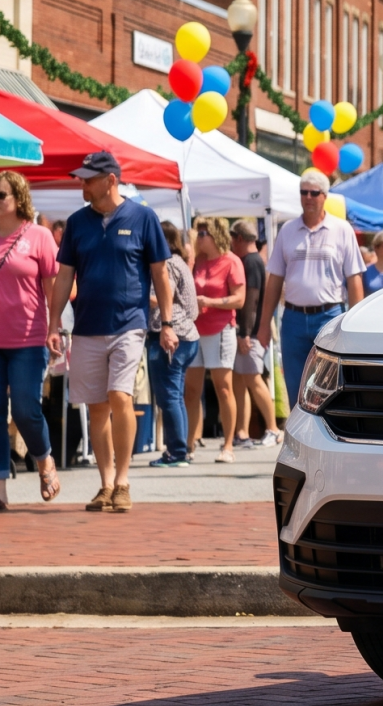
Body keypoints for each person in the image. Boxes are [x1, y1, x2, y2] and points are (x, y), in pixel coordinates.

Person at [45, 151, 173, 513]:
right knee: (97, 406)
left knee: (120, 396)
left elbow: (160, 274)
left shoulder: (143, 217)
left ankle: (123, 481)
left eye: (88, 178)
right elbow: (64, 276)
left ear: (111, 181)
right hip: (87, 326)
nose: (82, 184)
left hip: (129, 324)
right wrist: (54, 323)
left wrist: (167, 323)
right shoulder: (76, 223)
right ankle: (104, 484)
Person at [0, 171, 63, 510]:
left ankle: (44, 459)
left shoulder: (40, 237)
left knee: (24, 409)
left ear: (18, 198)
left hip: (28, 339)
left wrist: (55, 328)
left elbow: (53, 289)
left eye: (0, 195)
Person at [254, 170, 365, 392]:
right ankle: (295, 428)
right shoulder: (287, 230)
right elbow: (274, 280)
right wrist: (264, 324)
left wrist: (357, 324)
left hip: (330, 317)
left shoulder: (342, 230)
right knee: (295, 388)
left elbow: (354, 279)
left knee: (328, 389)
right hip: (293, 320)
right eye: (303, 192)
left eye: (314, 193)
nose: (308, 197)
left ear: (325, 196)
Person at [185, 219, 244, 464]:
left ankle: (228, 444)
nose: (199, 237)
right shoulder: (195, 261)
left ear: (215, 235)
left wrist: (210, 302)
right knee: (191, 390)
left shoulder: (231, 261)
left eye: (203, 233)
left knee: (223, 387)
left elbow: (239, 299)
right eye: (197, 232)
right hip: (194, 330)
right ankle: (188, 444)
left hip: (220, 329)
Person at [146, 221, 201, 468]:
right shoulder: (181, 263)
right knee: (175, 397)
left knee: (168, 397)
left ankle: (177, 451)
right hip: (188, 334)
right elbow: (192, 308)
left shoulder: (165, 264)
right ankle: (181, 449)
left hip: (168, 335)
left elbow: (160, 297)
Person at [229, 220, 278, 448]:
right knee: (240, 379)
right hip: (249, 330)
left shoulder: (251, 261)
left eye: (231, 238)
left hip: (251, 332)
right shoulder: (252, 260)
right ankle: (242, 432)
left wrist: (245, 333)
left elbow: (252, 299)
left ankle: (273, 428)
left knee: (253, 379)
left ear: (239, 238)